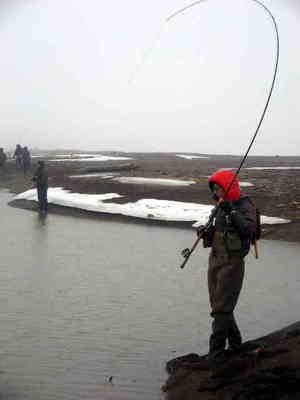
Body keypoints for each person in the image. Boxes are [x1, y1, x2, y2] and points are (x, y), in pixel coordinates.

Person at [199, 169, 257, 364]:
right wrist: (204, 233)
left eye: (219, 188)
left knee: (222, 308)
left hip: (232, 263)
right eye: (214, 189)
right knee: (218, 305)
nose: (217, 192)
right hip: (215, 260)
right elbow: (215, 233)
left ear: (229, 187)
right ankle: (236, 344)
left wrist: (231, 210)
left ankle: (215, 353)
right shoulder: (218, 206)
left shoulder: (245, 205)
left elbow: (249, 229)